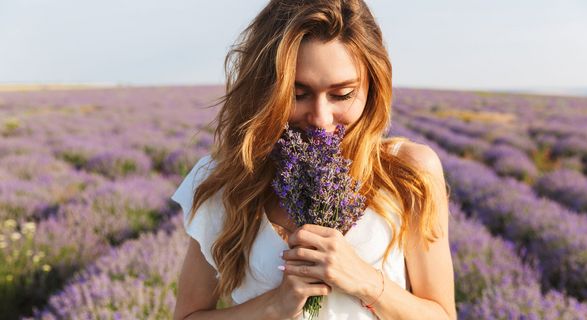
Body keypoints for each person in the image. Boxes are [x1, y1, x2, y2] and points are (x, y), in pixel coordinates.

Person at [172, 1, 456, 319]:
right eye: (297, 93)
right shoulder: (228, 180)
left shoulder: (408, 172)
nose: (321, 118)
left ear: (373, 87)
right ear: (266, 90)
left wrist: (366, 282)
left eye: (342, 94)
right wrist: (275, 305)